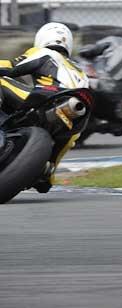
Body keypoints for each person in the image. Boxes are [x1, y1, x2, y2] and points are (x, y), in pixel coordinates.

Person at [0, 22, 88, 192]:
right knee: (50, 171)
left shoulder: (44, 52)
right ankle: (48, 170)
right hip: (77, 112)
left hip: (47, 96)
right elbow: (69, 140)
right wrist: (50, 170)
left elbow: (12, 68)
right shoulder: (80, 70)